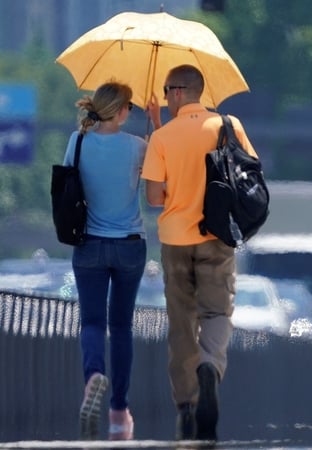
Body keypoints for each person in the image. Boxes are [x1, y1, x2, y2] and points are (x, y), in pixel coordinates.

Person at [142, 64, 258, 441]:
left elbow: (154, 197)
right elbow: (250, 174)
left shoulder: (162, 138)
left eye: (164, 90)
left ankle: (186, 406)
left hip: (176, 240)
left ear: (177, 92)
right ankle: (210, 365)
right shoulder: (228, 125)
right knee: (217, 311)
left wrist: (157, 132)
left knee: (181, 323)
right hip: (217, 236)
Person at [67, 81, 147, 440]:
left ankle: (92, 378)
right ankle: (118, 411)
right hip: (129, 246)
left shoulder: (78, 141)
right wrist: (157, 123)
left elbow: (68, 183)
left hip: (89, 245)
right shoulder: (137, 147)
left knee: (93, 322)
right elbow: (160, 177)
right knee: (123, 326)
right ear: (122, 110)